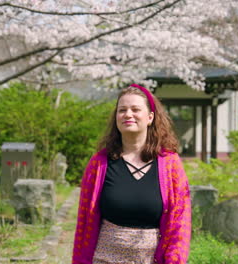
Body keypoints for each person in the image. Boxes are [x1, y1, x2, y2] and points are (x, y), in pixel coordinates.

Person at [72, 84, 191, 264]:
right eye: (122, 110)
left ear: (150, 117)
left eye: (135, 109)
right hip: (104, 258)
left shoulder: (170, 164)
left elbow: (179, 221)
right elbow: (84, 222)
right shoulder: (99, 163)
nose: (128, 114)